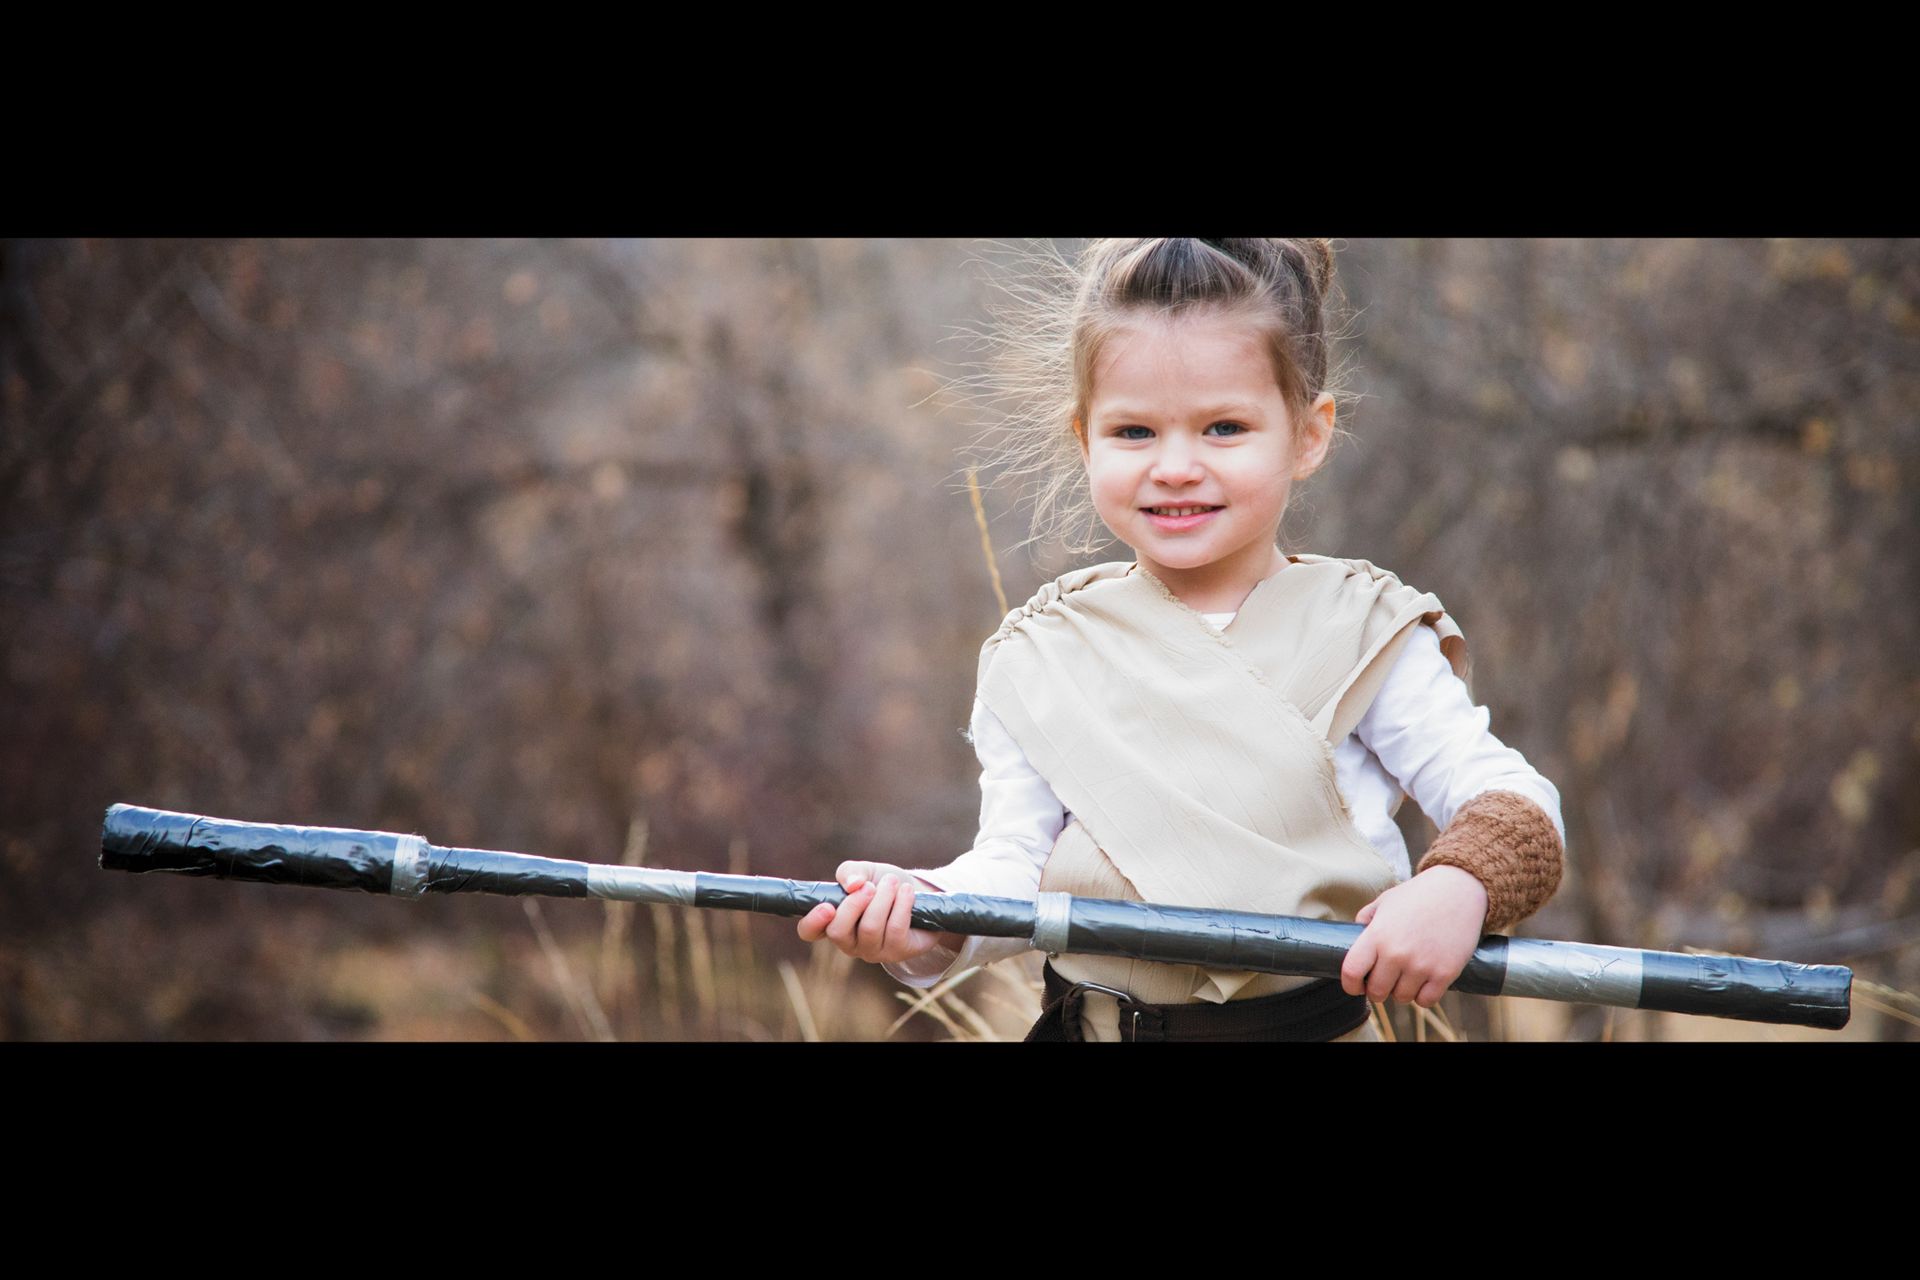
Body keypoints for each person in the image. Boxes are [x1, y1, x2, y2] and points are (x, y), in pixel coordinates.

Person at [797, 238, 1565, 1041]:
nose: (1175, 466)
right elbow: (1014, 872)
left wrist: (1457, 886)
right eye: (1133, 432)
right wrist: (930, 915)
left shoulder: (1369, 630)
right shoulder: (1044, 653)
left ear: (1308, 433)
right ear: (1085, 437)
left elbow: (1514, 804)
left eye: (1224, 427)